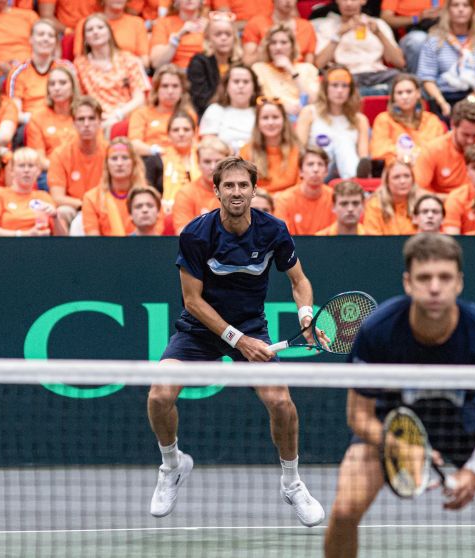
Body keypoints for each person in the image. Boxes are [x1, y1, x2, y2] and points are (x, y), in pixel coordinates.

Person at [324, 233, 475, 558]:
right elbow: (358, 415)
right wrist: (398, 444)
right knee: (344, 512)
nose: (435, 287)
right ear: (408, 282)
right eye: (424, 278)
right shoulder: (378, 330)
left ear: (460, 283)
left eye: (445, 277)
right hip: (394, 426)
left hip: (470, 430)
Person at [147, 156, 326, 528]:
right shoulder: (197, 235)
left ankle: (292, 482)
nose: (236, 192)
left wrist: (306, 316)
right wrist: (236, 339)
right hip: (199, 330)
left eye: (243, 185)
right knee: (159, 396)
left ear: (254, 188)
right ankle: (172, 465)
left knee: (283, 405)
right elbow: (192, 301)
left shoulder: (273, 230)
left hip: (251, 326)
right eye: (228, 185)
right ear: (216, 191)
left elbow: (299, 281)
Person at [418, 0, 475, 119]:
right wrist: (442, 102)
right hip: (443, 96)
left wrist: (473, 97)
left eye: (465, 5)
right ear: (447, 10)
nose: (460, 9)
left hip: (474, 97)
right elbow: (427, 78)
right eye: (455, 5)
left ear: (473, 11)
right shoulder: (434, 40)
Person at [415, 101, 475, 200]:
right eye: (465, 135)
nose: (470, 141)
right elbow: (418, 193)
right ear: (453, 125)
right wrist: (459, 201)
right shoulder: (433, 150)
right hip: (444, 208)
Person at [312, 0, 405, 95]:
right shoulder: (327, 26)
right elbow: (319, 64)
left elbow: (400, 63)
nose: (348, 3)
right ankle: (373, 92)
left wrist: (379, 34)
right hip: (348, 75)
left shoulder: (378, 24)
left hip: (377, 73)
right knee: (335, 84)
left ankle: (367, 93)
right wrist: (339, 34)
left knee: (403, 81)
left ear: (363, 1)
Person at [75, 13, 148, 130]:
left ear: (109, 32)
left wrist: (118, 114)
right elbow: (78, 99)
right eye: (90, 30)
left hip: (125, 116)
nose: (95, 32)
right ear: (85, 38)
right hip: (94, 121)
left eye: (100, 27)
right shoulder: (79, 64)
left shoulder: (128, 59)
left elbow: (140, 99)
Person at [295, 66, 370, 179]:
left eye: (344, 86)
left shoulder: (360, 119)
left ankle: (354, 182)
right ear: (325, 88)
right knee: (336, 143)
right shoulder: (309, 112)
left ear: (351, 90)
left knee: (343, 143)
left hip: (347, 169)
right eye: (335, 85)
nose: (339, 91)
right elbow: (299, 150)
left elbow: (363, 156)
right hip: (316, 171)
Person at [48, 96, 107, 230]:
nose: (86, 124)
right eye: (81, 119)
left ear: (100, 122)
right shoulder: (60, 154)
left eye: (91, 118)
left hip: (103, 207)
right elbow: (57, 197)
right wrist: (85, 205)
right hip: (74, 207)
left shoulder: (110, 152)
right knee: (62, 212)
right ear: (73, 123)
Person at [81, 137, 159, 236]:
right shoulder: (91, 198)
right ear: (106, 164)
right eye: (114, 158)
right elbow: (92, 241)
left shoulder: (149, 197)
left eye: (125, 158)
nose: (119, 163)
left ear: (134, 163)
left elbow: (155, 234)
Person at [0, 147, 65, 237]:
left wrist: (55, 217)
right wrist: (23, 234)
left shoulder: (44, 197)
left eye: (31, 166)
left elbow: (63, 238)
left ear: (39, 171)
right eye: (21, 166)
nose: (26, 170)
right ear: (12, 171)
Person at [371, 73, 447, 167]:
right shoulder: (383, 119)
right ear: (393, 97)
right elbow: (378, 150)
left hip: (427, 168)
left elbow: (439, 149)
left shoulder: (432, 120)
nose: (404, 97)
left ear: (418, 93)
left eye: (409, 92)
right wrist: (408, 154)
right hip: (396, 171)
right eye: (399, 93)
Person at [8, 18, 75, 121]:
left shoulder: (67, 68)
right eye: (41, 34)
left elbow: (76, 102)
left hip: (64, 121)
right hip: (29, 122)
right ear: (30, 39)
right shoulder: (18, 72)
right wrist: (41, 121)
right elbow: (15, 113)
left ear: (55, 41)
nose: (46, 39)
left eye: (51, 35)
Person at [250, 24, 320, 117]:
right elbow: (253, 99)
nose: (278, 47)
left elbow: (314, 100)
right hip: (271, 118)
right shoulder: (258, 68)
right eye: (273, 43)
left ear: (292, 46)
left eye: (283, 42)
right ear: (268, 47)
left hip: (303, 118)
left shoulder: (308, 68)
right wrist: (280, 105)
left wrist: (291, 70)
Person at [128, 64, 195, 157]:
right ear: (156, 90)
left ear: (182, 90)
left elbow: (195, 143)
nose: (170, 91)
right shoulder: (141, 114)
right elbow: (134, 145)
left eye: (175, 86)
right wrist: (155, 151)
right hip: (153, 160)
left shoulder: (189, 114)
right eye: (165, 86)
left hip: (183, 162)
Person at [239, 98, 300, 194]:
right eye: (265, 118)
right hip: (258, 204)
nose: (270, 122)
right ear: (257, 122)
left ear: (284, 120)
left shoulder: (297, 151)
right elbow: (243, 187)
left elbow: (300, 187)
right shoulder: (246, 151)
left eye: (275, 117)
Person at [187, 12, 241, 116]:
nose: (223, 38)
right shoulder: (199, 62)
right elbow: (201, 102)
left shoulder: (238, 64)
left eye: (228, 34)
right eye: (218, 34)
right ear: (208, 38)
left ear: (234, 38)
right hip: (207, 115)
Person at [172, 136, 229, 231]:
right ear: (198, 163)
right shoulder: (185, 193)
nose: (213, 167)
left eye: (218, 161)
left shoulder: (237, 192)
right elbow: (182, 232)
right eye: (207, 162)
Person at [274, 145, 335, 235]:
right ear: (300, 171)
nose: (315, 169)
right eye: (310, 164)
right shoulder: (285, 199)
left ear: (326, 171)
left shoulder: (335, 197)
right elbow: (281, 235)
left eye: (320, 164)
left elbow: (338, 230)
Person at [72, 0, 150, 69]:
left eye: (100, 27)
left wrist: (118, 69)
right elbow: (79, 59)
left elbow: (144, 61)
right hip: (93, 74)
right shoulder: (87, 24)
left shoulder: (137, 23)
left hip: (127, 74)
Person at [25, 66, 81, 160]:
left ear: (73, 87)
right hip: (49, 171)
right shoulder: (37, 118)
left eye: (62, 83)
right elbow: (39, 160)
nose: (57, 88)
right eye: (52, 84)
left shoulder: (84, 115)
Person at [199, 64, 259, 152]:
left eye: (246, 82)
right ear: (226, 86)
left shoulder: (260, 112)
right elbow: (207, 146)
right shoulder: (214, 110)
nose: (241, 86)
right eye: (236, 81)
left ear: (254, 88)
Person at [242, 0, 317, 65]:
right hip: (264, 75)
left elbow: (309, 66)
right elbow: (247, 62)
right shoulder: (256, 23)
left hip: (295, 75)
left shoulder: (306, 27)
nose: (288, 1)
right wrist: (266, 48)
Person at [382, 0, 445, 75]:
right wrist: (418, 18)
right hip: (411, 34)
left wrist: (444, 14)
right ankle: (416, 82)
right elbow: (386, 19)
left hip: (442, 30)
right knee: (418, 40)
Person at [363, 160, 418, 235]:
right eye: (396, 177)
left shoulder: (421, 202)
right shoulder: (375, 204)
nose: (402, 181)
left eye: (407, 176)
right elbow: (372, 238)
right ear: (387, 182)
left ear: (413, 180)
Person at [150, 0, 207, 70]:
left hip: (202, 72)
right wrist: (178, 37)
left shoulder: (209, 25)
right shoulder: (163, 23)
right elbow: (156, 63)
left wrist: (208, 37)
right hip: (174, 73)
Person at [159, 111, 199, 209]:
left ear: (194, 133)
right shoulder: (158, 160)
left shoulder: (205, 158)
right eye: (176, 130)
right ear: (168, 134)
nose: (181, 134)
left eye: (186, 129)